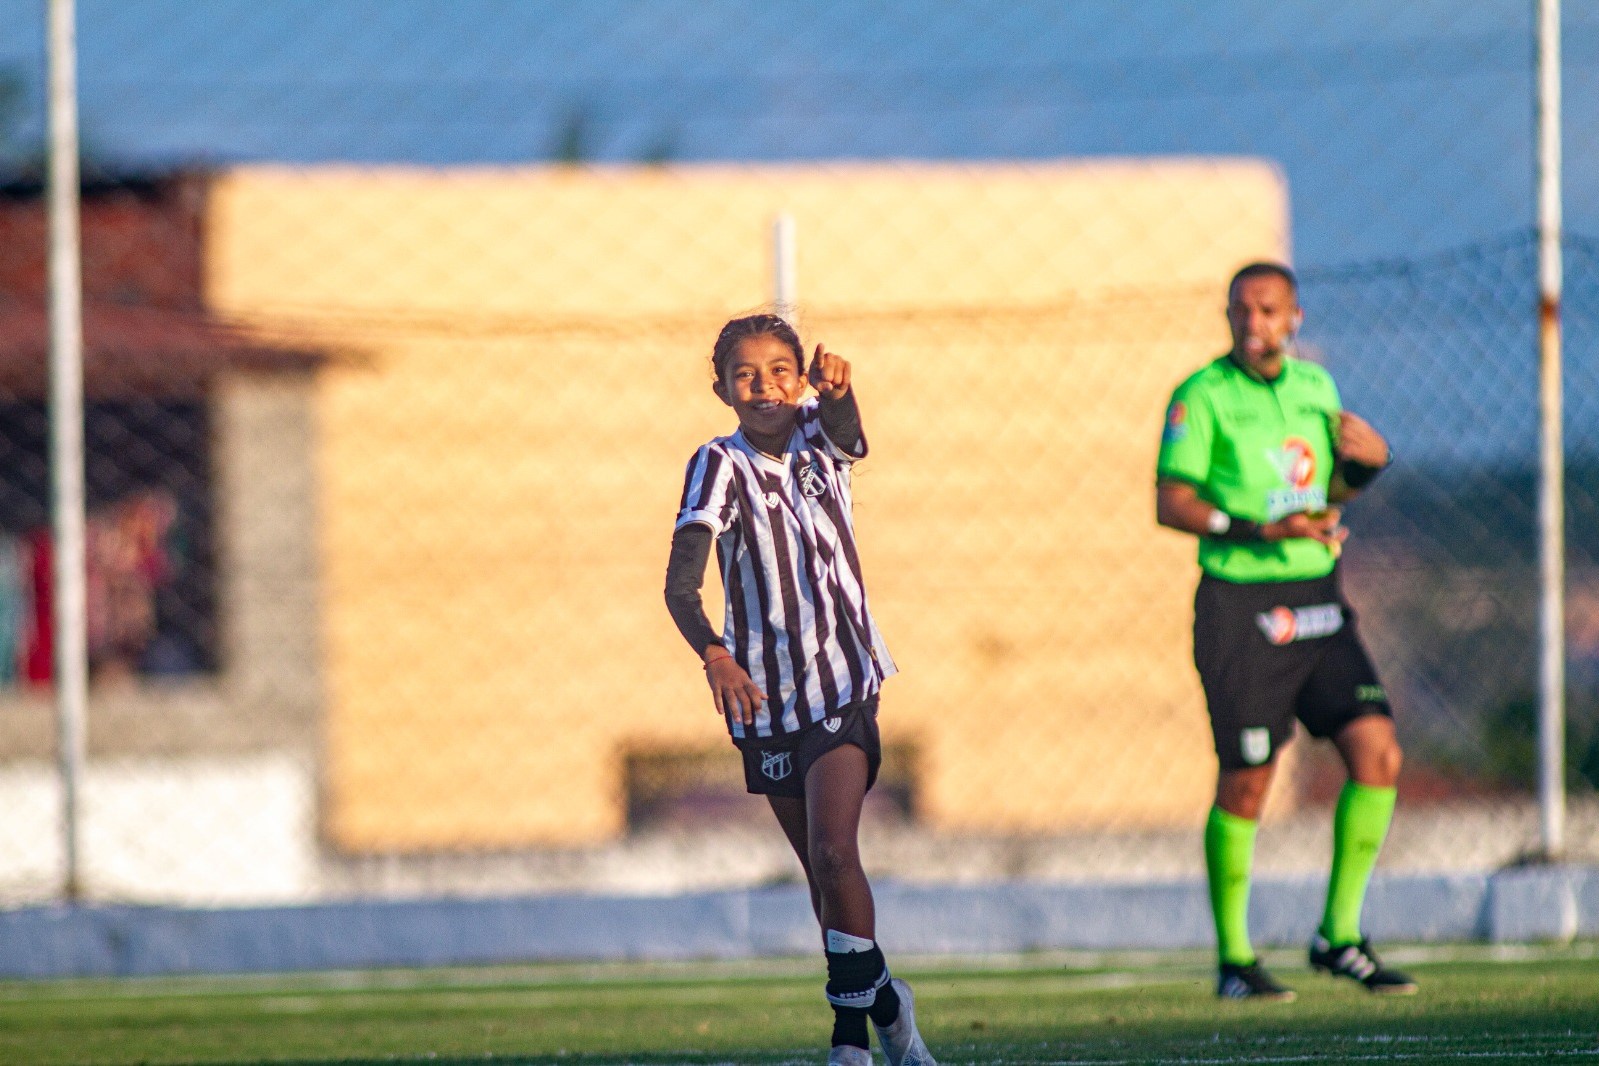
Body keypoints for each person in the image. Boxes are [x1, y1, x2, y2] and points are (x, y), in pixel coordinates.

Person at [664, 313, 937, 1066]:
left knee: (834, 849)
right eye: (745, 375)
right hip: (762, 698)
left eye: (780, 370)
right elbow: (680, 583)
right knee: (819, 872)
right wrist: (715, 655)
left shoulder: (820, 430)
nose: (765, 387)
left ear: (801, 377)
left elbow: (850, 431)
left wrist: (840, 391)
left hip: (845, 679)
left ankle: (850, 1039)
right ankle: (883, 1002)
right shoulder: (715, 464)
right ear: (720, 386)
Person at [1155, 263, 1418, 1001]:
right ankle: (1234, 960)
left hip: (1315, 596)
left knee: (1377, 752)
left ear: (1293, 318)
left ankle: (1338, 936)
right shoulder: (1200, 396)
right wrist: (1253, 526)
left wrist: (1365, 471)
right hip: (1240, 606)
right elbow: (1170, 500)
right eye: (1240, 309)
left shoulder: (1315, 390)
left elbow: (1324, 491)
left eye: (1267, 310)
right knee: (1247, 781)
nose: (1252, 322)